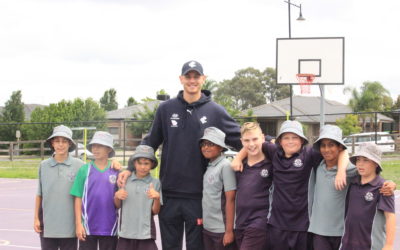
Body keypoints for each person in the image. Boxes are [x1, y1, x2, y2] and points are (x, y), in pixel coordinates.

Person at [118, 60, 242, 250]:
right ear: (181, 79)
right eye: (188, 76)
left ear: (203, 79)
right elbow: (150, 141)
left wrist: (267, 145)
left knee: (195, 246)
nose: (192, 80)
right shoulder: (166, 109)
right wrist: (129, 168)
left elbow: (240, 137)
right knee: (170, 246)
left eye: (196, 76)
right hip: (169, 194)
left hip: (198, 195)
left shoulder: (215, 111)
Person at [232, 120, 349, 250]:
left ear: (302, 140)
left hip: (303, 225)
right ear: (280, 141)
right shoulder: (274, 152)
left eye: (295, 137)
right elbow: (253, 143)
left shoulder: (310, 154)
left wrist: (341, 171)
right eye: (286, 137)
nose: (290, 141)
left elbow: (343, 151)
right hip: (276, 224)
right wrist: (238, 157)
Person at [308, 125, 396, 250]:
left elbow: (373, 175)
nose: (327, 149)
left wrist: (391, 184)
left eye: (332, 145)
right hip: (319, 231)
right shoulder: (317, 164)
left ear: (339, 147)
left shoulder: (353, 171)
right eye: (323, 145)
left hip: (342, 234)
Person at [34, 125, 84, 250]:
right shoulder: (43, 166)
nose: (60, 145)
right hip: (48, 225)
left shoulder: (80, 165)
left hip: (70, 227)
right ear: (52, 143)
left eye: (64, 141)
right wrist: (36, 218)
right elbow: (39, 194)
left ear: (70, 144)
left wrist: (114, 164)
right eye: (57, 141)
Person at [340, 142, 396, 250]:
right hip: (347, 245)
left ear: (375, 163)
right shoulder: (352, 183)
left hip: (370, 246)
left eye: (365, 160)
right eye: (358, 159)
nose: (360, 164)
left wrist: (388, 245)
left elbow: (390, 217)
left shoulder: (383, 187)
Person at [70, 131, 119, 250]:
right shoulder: (84, 170)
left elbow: (120, 201)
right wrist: (78, 224)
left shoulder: (117, 171)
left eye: (100, 146)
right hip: (87, 227)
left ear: (108, 149)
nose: (95, 149)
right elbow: (78, 198)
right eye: (94, 145)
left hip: (110, 227)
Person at [114, 145, 161, 250]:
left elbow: (155, 211)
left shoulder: (155, 182)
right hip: (125, 234)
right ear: (134, 163)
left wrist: (157, 198)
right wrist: (117, 196)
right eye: (139, 163)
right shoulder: (124, 180)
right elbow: (117, 205)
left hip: (146, 235)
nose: (143, 167)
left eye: (146, 163)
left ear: (152, 164)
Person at [234, 122, 272, 250]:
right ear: (241, 142)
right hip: (240, 223)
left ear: (262, 137)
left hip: (260, 223)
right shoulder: (238, 166)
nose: (251, 144)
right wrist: (238, 158)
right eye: (246, 140)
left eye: (255, 139)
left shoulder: (271, 163)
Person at [199, 127, 237, 250]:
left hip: (221, 230)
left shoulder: (225, 166)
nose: (206, 147)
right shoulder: (209, 166)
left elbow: (231, 200)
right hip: (208, 228)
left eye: (211, 144)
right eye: (204, 144)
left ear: (220, 147)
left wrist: (229, 231)